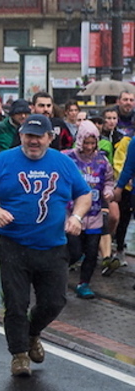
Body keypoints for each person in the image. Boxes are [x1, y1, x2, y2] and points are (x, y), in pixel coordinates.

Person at [0, 114, 90, 377]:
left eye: (39, 136)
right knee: (16, 303)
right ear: (21, 135)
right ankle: (19, 355)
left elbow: (83, 193)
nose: (33, 141)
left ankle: (33, 332)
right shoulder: (4, 160)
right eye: (28, 135)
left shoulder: (63, 162)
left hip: (53, 246)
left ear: (50, 137)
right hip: (14, 244)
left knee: (54, 301)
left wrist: (77, 217)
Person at [63, 121, 114, 299]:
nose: (89, 147)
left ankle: (84, 283)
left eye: (93, 143)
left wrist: (108, 192)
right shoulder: (69, 158)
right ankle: (57, 275)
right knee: (75, 251)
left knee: (92, 252)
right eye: (86, 143)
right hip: (72, 213)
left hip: (95, 213)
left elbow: (108, 180)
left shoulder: (102, 161)